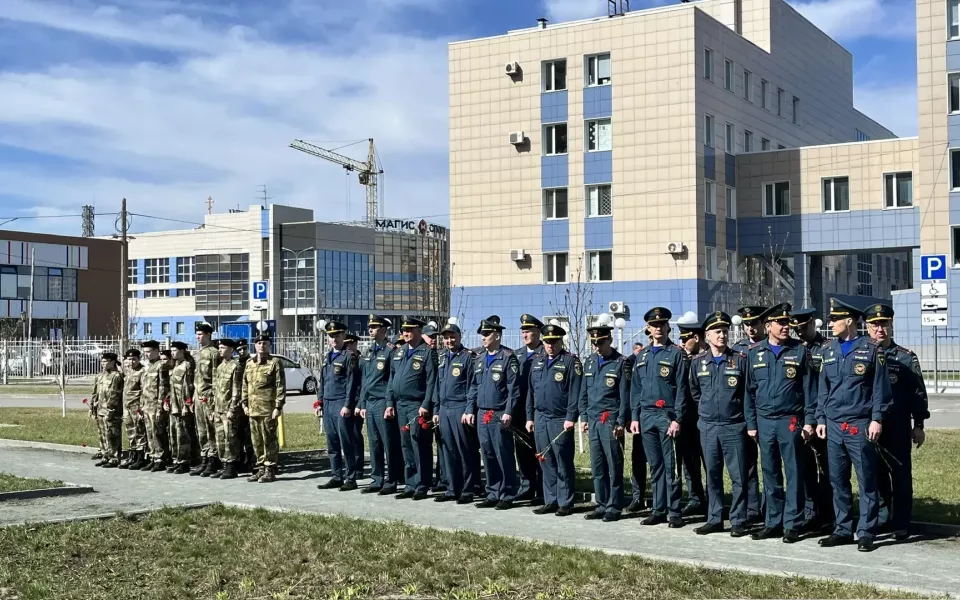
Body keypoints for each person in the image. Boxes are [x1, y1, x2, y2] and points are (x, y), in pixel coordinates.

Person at [815, 298, 893, 552]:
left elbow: (880, 388)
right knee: (838, 480)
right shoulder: (828, 351)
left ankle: (867, 531)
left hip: (859, 424)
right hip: (834, 424)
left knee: (866, 479)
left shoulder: (871, 349)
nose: (831, 324)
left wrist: (876, 418)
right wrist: (820, 418)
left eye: (835, 320)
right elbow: (823, 390)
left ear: (849, 321)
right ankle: (842, 529)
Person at [745, 303, 815, 543]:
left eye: (788, 323)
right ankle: (772, 522)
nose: (786, 327)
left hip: (791, 420)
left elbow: (809, 390)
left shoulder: (799, 351)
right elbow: (749, 393)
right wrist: (751, 423)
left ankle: (793, 523)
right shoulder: (755, 353)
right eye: (781, 323)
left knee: (794, 472)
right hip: (764, 422)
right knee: (770, 472)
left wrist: (809, 422)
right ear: (768, 326)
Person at [865, 303, 930, 540]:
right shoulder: (860, 355)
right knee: (876, 475)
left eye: (884, 324)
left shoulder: (904, 357)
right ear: (867, 327)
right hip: (869, 427)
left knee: (900, 477)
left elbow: (918, 393)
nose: (880, 329)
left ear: (891, 325)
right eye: (875, 324)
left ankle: (901, 522)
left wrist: (919, 425)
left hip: (897, 426)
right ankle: (882, 519)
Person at [690, 312, 750, 536]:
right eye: (717, 331)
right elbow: (695, 392)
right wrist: (706, 413)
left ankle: (738, 520)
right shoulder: (698, 363)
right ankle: (714, 518)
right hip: (708, 427)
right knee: (712, 475)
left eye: (725, 331)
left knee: (738, 477)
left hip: (733, 426)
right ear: (707, 336)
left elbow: (746, 393)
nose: (722, 335)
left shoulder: (739, 360)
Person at [630, 307, 688, 527]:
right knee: (655, 466)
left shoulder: (676, 353)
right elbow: (635, 389)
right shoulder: (642, 355)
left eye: (662, 324)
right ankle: (658, 509)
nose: (658, 328)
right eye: (654, 325)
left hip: (667, 415)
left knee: (671, 465)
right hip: (646, 415)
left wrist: (678, 418)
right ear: (648, 328)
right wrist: (635, 417)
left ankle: (674, 510)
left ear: (667, 327)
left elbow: (682, 389)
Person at [526, 323, 581, 516]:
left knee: (562, 460)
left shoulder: (570, 361)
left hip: (560, 418)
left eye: (554, 341)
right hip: (540, 417)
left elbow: (575, 392)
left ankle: (565, 501)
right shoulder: (537, 361)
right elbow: (531, 392)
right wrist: (529, 417)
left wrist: (571, 417)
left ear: (560, 341)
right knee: (545, 459)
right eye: (547, 342)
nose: (550, 345)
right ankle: (550, 499)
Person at [468, 318, 521, 509]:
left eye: (486, 334)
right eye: (482, 334)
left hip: (499, 413)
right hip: (483, 412)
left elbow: (513, 389)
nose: (483, 338)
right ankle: (493, 491)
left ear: (497, 335)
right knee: (488, 453)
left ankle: (507, 494)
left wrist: (509, 412)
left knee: (503, 453)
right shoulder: (480, 358)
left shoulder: (507, 357)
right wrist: (470, 409)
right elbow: (474, 386)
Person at [791, 307, 834, 533]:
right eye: (796, 329)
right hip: (801, 417)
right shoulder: (795, 350)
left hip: (823, 417)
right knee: (805, 468)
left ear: (812, 325)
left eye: (804, 328)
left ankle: (828, 513)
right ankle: (810, 512)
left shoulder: (827, 347)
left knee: (826, 469)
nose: (800, 333)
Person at [579, 325, 628, 522]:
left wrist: (620, 422)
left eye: (600, 343)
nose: (597, 347)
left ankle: (614, 506)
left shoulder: (620, 363)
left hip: (610, 420)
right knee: (597, 466)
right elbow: (584, 393)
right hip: (593, 419)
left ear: (609, 340)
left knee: (613, 465)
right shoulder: (589, 362)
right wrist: (583, 418)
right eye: (593, 343)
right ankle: (601, 503)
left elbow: (624, 397)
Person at [387, 316, 438, 500]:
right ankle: (410, 483)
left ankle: (422, 484)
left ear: (419, 331)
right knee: (406, 445)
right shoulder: (399, 353)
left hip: (417, 405)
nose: (405, 333)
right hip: (400, 404)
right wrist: (389, 403)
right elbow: (392, 380)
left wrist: (426, 404)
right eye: (403, 330)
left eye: (409, 330)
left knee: (419, 445)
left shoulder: (426, 353)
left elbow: (432, 381)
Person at [435, 322, 480, 503]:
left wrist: (469, 409)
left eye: (452, 336)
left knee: (464, 450)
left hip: (460, 408)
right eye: (446, 337)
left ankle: (468, 489)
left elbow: (472, 386)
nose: (449, 340)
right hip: (444, 409)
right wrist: (436, 410)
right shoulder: (441, 357)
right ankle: (452, 488)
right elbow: (438, 386)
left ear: (459, 337)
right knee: (448, 450)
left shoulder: (468, 357)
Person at [359, 315, 403, 495]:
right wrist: (362, 403)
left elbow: (392, 380)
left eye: (375, 327)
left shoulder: (391, 351)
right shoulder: (369, 351)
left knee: (388, 442)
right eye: (370, 327)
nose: (371, 330)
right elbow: (365, 380)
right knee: (374, 442)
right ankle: (376, 478)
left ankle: (392, 479)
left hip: (383, 402)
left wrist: (390, 403)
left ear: (384, 330)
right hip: (369, 403)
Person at [316, 321, 362, 491]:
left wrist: (348, 405)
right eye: (331, 336)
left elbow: (352, 383)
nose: (334, 339)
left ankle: (351, 477)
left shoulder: (349, 357)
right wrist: (319, 402)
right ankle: (336, 476)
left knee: (346, 442)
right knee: (332, 443)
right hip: (328, 404)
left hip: (341, 404)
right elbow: (323, 382)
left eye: (337, 335)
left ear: (344, 336)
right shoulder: (327, 357)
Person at [733, 306, 766, 525]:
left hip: (766, 413)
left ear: (764, 324)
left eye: (754, 323)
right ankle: (753, 507)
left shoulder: (769, 346)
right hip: (744, 415)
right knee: (748, 463)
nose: (750, 328)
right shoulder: (738, 349)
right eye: (747, 324)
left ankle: (774, 508)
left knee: (772, 465)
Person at [242, 333, 287, 483]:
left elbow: (280, 386)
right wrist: (244, 404)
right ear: (255, 345)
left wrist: (278, 406)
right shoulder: (250, 363)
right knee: (256, 441)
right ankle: (260, 468)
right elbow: (245, 385)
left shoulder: (275, 363)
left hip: (268, 409)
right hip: (253, 409)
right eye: (259, 343)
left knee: (269, 440)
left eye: (265, 343)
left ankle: (270, 469)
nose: (262, 345)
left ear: (269, 345)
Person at [675, 312, 706, 517]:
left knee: (710, 463)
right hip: (686, 420)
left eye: (686, 339)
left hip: (705, 418)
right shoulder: (684, 359)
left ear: (696, 337)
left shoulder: (708, 358)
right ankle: (696, 498)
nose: (683, 343)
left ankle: (713, 501)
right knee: (689, 462)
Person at [515, 314, 545, 505]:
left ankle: (542, 490)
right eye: (523, 331)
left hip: (538, 410)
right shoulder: (517, 355)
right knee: (522, 451)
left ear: (538, 333)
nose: (525, 335)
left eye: (529, 331)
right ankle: (526, 487)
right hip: (519, 410)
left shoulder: (546, 352)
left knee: (540, 451)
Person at [192, 322, 222, 477]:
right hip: (198, 396)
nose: (198, 337)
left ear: (209, 335)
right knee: (201, 430)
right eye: (197, 334)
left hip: (208, 397)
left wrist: (213, 398)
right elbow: (197, 378)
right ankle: (204, 458)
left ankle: (213, 459)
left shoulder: (214, 353)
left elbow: (216, 377)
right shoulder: (199, 353)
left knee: (211, 430)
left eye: (201, 334)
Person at [211, 338, 243, 480]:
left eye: (223, 348)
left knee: (230, 438)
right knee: (220, 439)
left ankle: (231, 466)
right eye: (219, 347)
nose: (220, 350)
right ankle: (224, 464)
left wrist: (232, 409)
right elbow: (215, 390)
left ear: (231, 349)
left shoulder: (235, 366)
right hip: (218, 409)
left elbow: (236, 390)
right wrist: (213, 409)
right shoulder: (219, 366)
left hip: (228, 409)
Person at [422, 323, 447, 494]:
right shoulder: (421, 354)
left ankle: (442, 478)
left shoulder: (441, 355)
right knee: (424, 443)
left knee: (441, 443)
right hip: (425, 405)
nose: (433, 340)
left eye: (435, 337)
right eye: (430, 337)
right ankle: (427, 478)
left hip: (437, 405)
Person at [139, 340, 170, 472]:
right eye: (145, 352)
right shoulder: (147, 367)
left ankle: (160, 458)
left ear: (156, 351)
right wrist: (141, 405)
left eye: (149, 351)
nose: (146, 354)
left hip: (155, 405)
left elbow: (163, 388)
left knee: (157, 432)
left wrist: (159, 407)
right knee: (149, 433)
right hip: (146, 405)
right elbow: (143, 387)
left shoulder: (160, 366)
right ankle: (153, 456)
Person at [91, 352, 124, 468]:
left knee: (112, 434)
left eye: (105, 362)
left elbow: (115, 394)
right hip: (100, 410)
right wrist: (92, 407)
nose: (103, 364)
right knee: (103, 434)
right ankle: (105, 455)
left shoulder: (117, 376)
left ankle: (114, 457)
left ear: (113, 362)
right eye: (102, 362)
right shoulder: (100, 376)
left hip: (112, 411)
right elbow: (95, 392)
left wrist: (111, 409)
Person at [167, 341, 195, 475]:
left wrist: (186, 404)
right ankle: (176, 460)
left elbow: (188, 386)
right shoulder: (174, 366)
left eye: (175, 350)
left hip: (182, 405)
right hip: (173, 405)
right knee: (173, 434)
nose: (172, 353)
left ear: (183, 351)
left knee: (182, 435)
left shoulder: (187, 365)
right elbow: (171, 387)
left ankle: (184, 461)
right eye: (171, 351)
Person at [119, 348, 149, 470]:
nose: (131, 362)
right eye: (129, 359)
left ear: (139, 359)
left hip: (136, 406)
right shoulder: (128, 372)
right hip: (127, 406)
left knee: (139, 432)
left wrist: (141, 407)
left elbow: (144, 390)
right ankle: (133, 455)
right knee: (130, 431)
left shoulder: (142, 372)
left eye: (134, 359)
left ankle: (140, 457)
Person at [344, 333, 366, 476]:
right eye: (346, 345)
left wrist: (360, 403)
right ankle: (349, 465)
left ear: (355, 344)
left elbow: (363, 384)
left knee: (355, 435)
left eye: (350, 344)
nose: (347, 347)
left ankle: (358, 467)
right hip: (345, 402)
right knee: (346, 435)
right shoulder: (344, 359)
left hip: (357, 401)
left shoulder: (361, 361)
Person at [234, 339, 255, 473]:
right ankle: (241, 460)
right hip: (238, 404)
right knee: (239, 433)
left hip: (249, 402)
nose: (242, 351)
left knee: (249, 434)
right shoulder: (236, 364)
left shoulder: (252, 362)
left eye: (244, 349)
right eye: (239, 349)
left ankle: (251, 460)